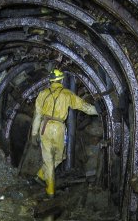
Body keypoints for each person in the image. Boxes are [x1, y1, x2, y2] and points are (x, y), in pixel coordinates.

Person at [30, 68, 98, 196]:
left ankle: (40, 175)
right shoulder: (67, 94)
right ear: (61, 80)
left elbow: (37, 116)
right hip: (59, 128)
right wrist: (100, 111)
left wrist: (34, 134)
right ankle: (50, 191)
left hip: (45, 127)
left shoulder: (42, 94)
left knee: (58, 158)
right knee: (54, 159)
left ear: (50, 80)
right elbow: (85, 108)